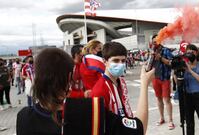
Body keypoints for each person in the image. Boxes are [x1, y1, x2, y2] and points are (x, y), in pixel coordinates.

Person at [16, 48, 155, 135]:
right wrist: (144, 84)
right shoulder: (91, 111)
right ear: (70, 77)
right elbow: (139, 129)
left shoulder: (23, 118)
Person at [91, 42, 133, 117]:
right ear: (104, 61)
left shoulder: (121, 81)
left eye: (123, 61)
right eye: (116, 61)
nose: (120, 64)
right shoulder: (99, 90)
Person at [151, 34, 175, 129]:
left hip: (164, 78)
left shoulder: (166, 50)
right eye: (153, 42)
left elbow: (171, 63)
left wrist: (160, 58)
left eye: (155, 41)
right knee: (159, 99)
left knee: (167, 100)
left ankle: (171, 121)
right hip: (155, 78)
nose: (154, 43)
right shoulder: (152, 51)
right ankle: (162, 118)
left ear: (160, 41)